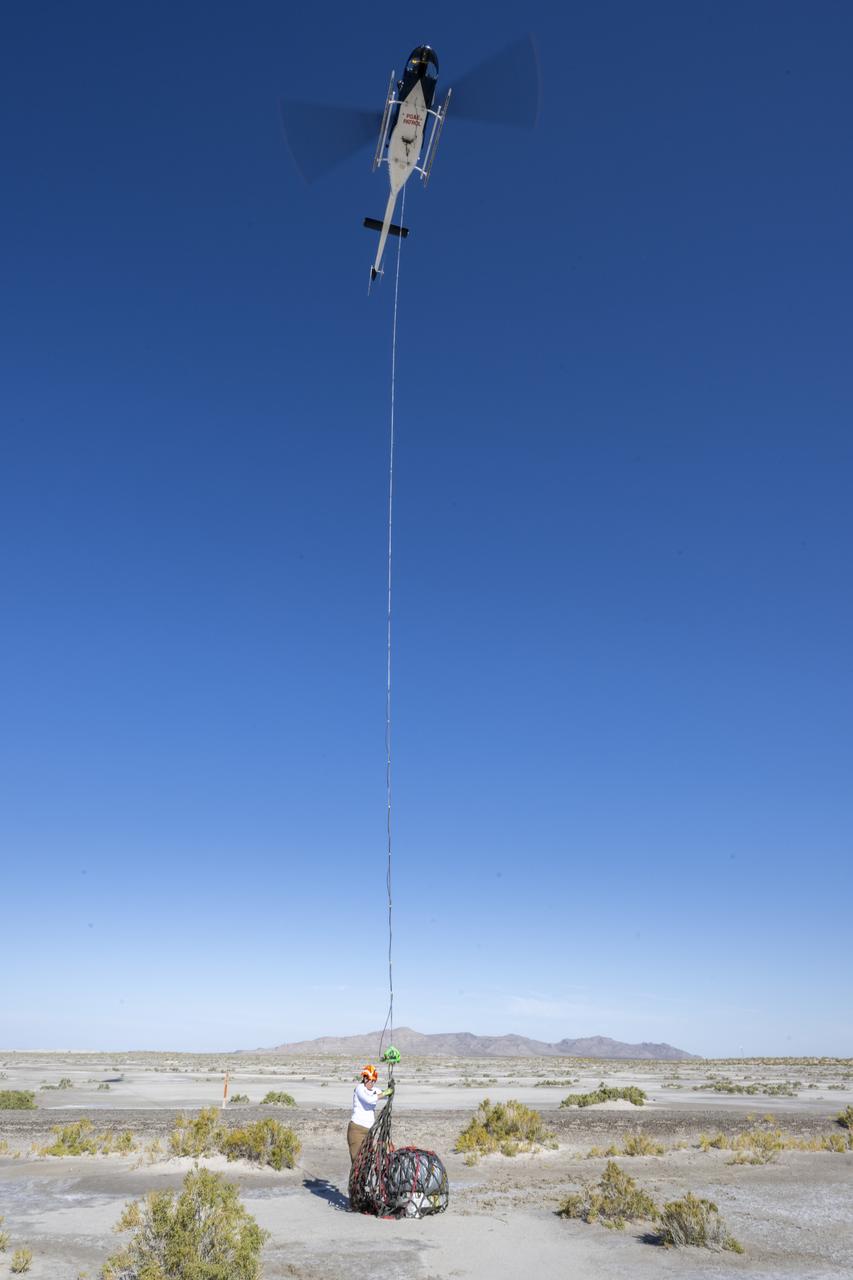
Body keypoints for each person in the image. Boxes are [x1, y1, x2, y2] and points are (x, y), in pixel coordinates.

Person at [348, 1063, 393, 1164]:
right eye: (370, 1080)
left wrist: (390, 1088)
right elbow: (369, 1099)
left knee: (367, 1161)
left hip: (369, 1131)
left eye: (374, 1081)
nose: (371, 1083)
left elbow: (385, 1095)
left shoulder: (374, 1090)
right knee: (357, 1162)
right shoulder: (359, 1088)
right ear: (364, 1078)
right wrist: (385, 1093)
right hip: (357, 1130)